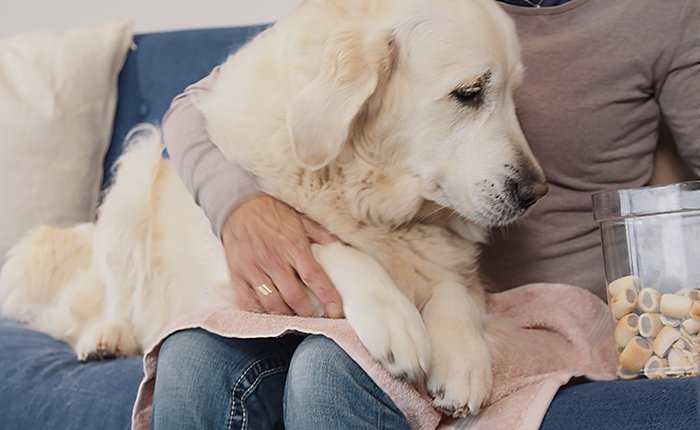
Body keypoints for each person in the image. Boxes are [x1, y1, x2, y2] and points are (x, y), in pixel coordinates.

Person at [153, 0, 700, 428]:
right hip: (408, 280)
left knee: (330, 371)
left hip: (552, 309)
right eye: (468, 94)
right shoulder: (394, 15)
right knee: (192, 360)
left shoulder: (665, 13)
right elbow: (193, 107)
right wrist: (239, 207)